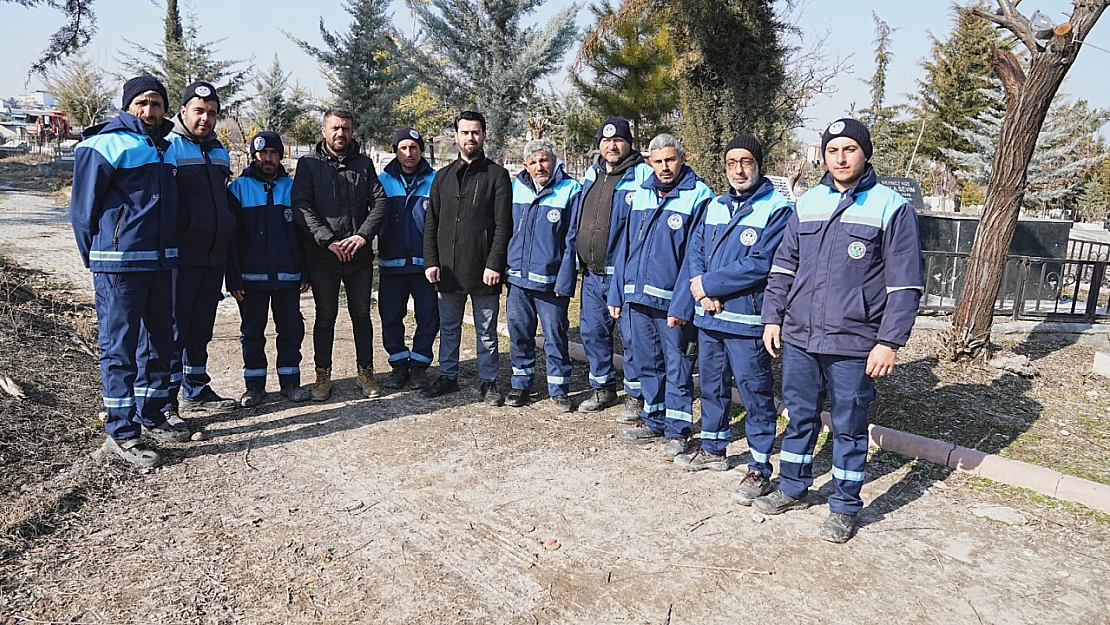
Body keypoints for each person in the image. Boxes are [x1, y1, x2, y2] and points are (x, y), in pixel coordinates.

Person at [755, 118, 924, 543]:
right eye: (833, 150)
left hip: (854, 341)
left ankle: (845, 506)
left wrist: (889, 341)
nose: (841, 157)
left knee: (849, 425)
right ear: (824, 155)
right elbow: (782, 267)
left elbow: (905, 284)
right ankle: (793, 486)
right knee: (799, 416)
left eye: (849, 149)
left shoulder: (890, 207)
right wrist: (773, 317)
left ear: (864, 153)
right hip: (800, 337)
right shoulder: (807, 202)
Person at [668, 135, 793, 494]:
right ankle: (713, 447)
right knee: (711, 386)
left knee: (755, 393)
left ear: (759, 164)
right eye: (731, 163)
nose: (738, 170)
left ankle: (758, 466)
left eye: (746, 162)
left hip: (746, 322)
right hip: (710, 317)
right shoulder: (716, 206)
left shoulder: (776, 209)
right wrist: (700, 290)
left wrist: (710, 285)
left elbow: (761, 264)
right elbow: (697, 250)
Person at [70, 75, 185, 468]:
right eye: (142, 104)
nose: (150, 112)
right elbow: (82, 211)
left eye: (156, 104)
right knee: (119, 349)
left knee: (158, 344)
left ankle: (151, 414)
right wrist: (98, 259)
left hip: (160, 261)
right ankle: (121, 431)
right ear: (127, 106)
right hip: (119, 267)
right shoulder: (103, 143)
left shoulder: (165, 148)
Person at [607, 133, 714, 461]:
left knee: (677, 366)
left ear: (681, 158)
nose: (665, 167)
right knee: (646, 362)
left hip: (672, 303)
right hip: (637, 298)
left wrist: (684, 303)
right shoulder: (639, 194)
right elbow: (623, 246)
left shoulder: (699, 197)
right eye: (658, 161)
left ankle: (678, 431)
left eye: (670, 160)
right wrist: (617, 291)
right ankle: (653, 419)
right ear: (650, 162)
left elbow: (696, 258)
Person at [292, 109, 389, 401]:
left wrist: (362, 236)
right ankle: (322, 376)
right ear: (324, 130)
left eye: (346, 129)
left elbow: (381, 202)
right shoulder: (308, 165)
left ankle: (366, 372)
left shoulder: (364, 164)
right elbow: (301, 206)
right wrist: (328, 240)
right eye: (335, 128)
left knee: (361, 316)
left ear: (352, 132)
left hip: (358, 258)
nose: (340, 134)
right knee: (325, 318)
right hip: (324, 257)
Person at [421, 111, 513, 405]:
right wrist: (431, 261)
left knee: (486, 330)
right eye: (465, 132)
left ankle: (488, 381)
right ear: (456, 136)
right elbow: (431, 224)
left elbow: (503, 225)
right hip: (448, 269)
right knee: (448, 327)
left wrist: (494, 263)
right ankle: (448, 376)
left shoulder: (497, 175)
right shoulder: (443, 177)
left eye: (475, 132)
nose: (470, 138)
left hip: (485, 270)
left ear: (484, 135)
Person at [164, 81, 239, 414]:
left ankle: (196, 389)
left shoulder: (219, 149)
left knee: (201, 328)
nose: (205, 118)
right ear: (183, 112)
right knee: (174, 330)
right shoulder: (169, 147)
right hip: (181, 257)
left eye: (211, 113)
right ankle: (165, 403)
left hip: (213, 257)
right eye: (199, 111)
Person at [226, 131, 312, 407]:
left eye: (273, 153)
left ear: (281, 156)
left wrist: (305, 271)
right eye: (262, 154)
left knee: (290, 329)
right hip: (251, 279)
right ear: (254, 157)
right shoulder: (238, 189)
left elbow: (305, 235)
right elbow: (231, 240)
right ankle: (254, 386)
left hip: (288, 277)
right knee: (252, 332)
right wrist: (234, 276)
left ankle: (290, 383)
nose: (268, 159)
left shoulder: (293, 188)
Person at [576, 117, 653, 418]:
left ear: (628, 143)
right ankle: (603, 388)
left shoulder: (642, 175)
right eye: (606, 141)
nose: (612, 145)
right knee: (593, 333)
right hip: (593, 275)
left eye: (618, 140)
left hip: (625, 275)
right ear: (599, 145)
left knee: (631, 337)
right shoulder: (591, 174)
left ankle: (635, 394)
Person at [505, 140, 581, 411]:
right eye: (534, 162)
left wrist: (565, 279)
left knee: (555, 335)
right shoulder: (515, 188)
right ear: (525, 165)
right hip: (517, 279)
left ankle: (559, 388)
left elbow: (573, 240)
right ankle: (521, 384)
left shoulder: (571, 190)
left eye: (544, 160)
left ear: (554, 160)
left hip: (550, 283)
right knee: (519, 333)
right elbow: (504, 230)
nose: (540, 166)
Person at [377, 127, 438, 390]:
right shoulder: (382, 180)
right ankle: (399, 364)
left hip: (425, 266)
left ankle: (420, 367)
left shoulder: (436, 180)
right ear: (396, 151)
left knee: (428, 316)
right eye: (403, 148)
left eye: (413, 147)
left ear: (420, 150)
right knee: (391, 315)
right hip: (392, 264)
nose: (409, 153)